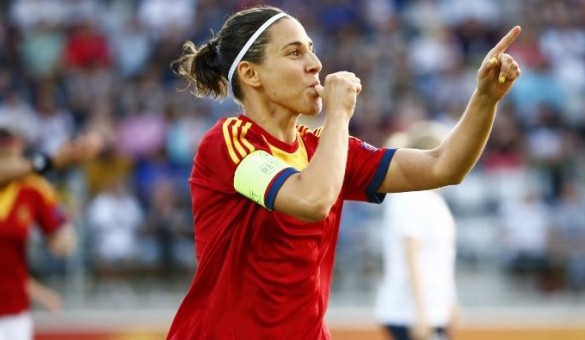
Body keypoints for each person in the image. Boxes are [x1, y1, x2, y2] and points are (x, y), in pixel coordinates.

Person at [167, 5, 521, 339]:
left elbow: (443, 166)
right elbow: (310, 199)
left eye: (311, 50)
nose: (315, 65)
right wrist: (338, 114)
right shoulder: (228, 141)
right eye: (294, 53)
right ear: (250, 74)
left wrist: (485, 99)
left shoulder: (326, 150)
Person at [0, 122, 101, 340]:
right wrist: (54, 160)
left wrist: (64, 238)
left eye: (11, 142)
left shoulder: (33, 189)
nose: (7, 148)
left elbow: (59, 231)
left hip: (11, 315)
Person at [375, 123, 458, 340]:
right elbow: (411, 256)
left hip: (430, 311)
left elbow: (439, 260)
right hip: (409, 314)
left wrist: (449, 303)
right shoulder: (410, 197)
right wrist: (420, 314)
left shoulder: (430, 199)